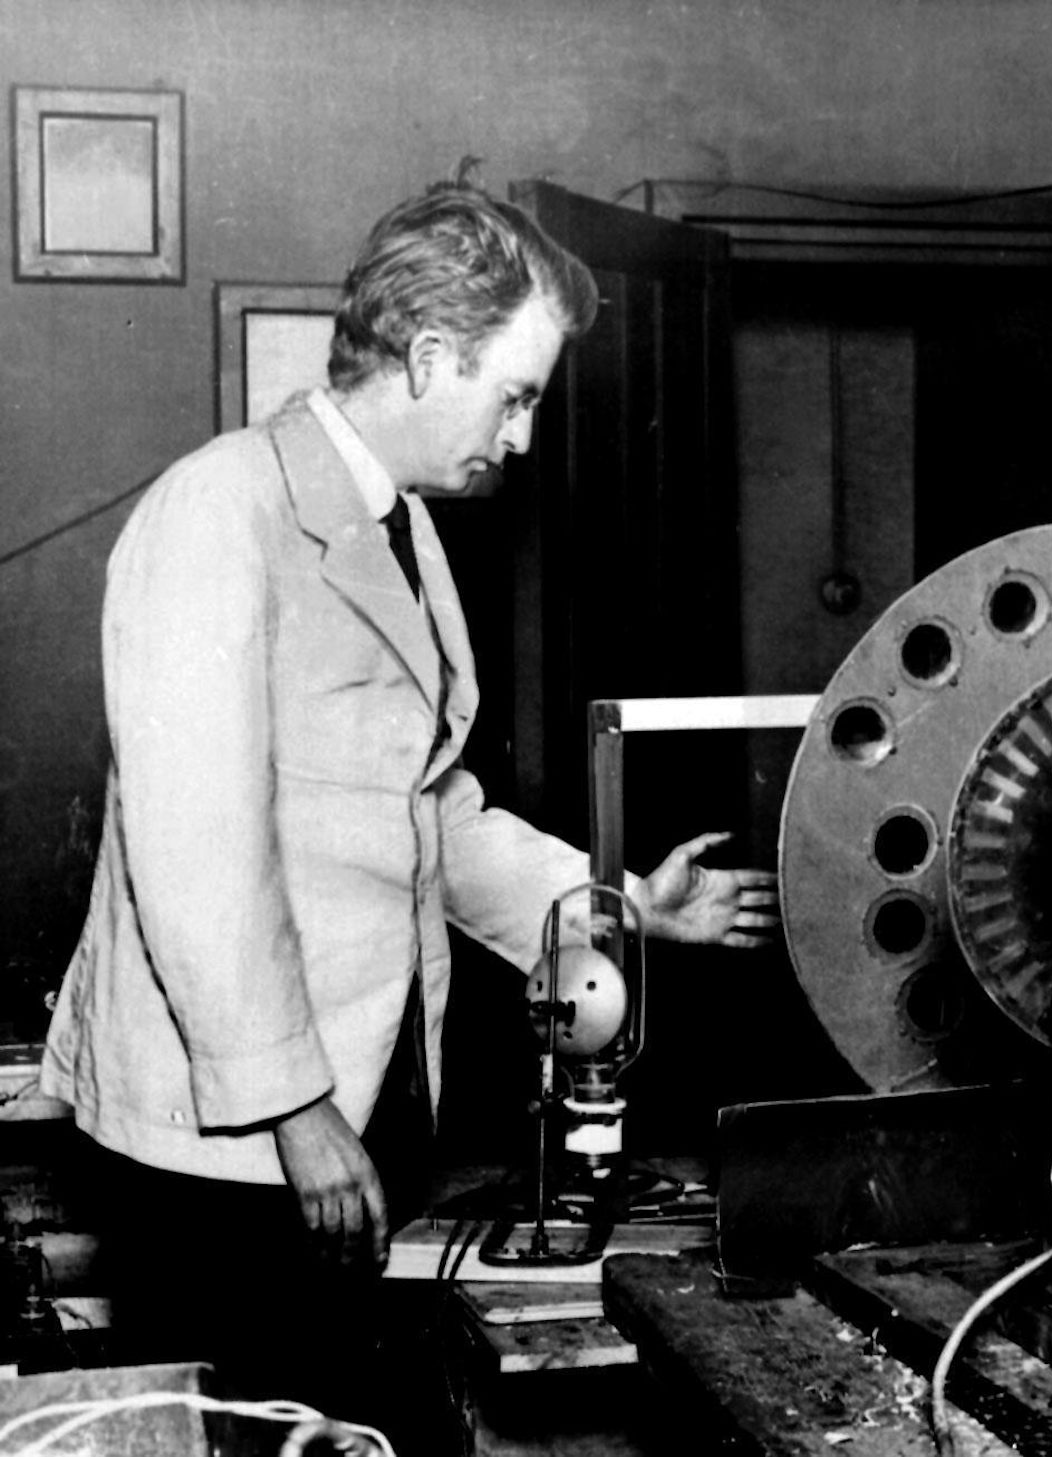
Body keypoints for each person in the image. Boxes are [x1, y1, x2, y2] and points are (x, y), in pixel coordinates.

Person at [39, 181, 777, 1434]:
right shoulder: (222, 509)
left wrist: (615, 905)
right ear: (431, 358)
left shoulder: (407, 532)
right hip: (231, 1142)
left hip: (352, 1100)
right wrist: (295, 1110)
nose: (523, 438)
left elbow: (427, 810)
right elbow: (193, 849)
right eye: (516, 395)